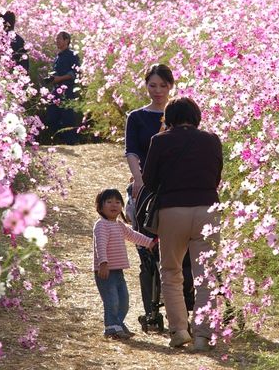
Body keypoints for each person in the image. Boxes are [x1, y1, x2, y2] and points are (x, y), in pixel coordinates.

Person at [142, 97, 223, 352]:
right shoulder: (212, 139)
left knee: (171, 271)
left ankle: (179, 330)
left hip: (173, 211)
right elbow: (217, 175)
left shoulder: (160, 141)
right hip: (207, 209)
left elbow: (149, 180)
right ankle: (203, 335)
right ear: (196, 116)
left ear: (169, 118)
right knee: (206, 274)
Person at [125, 64, 195, 327]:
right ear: (146, 85)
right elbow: (132, 151)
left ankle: (185, 302)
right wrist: (140, 181)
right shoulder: (137, 117)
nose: (157, 91)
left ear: (171, 87)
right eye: (152, 85)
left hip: (176, 187)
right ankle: (151, 308)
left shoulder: (180, 114)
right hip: (146, 186)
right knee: (148, 246)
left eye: (162, 86)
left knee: (183, 251)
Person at [93, 188, 156, 339]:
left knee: (123, 301)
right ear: (100, 207)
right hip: (105, 270)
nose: (114, 205)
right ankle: (111, 328)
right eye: (109, 202)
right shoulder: (101, 225)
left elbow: (133, 235)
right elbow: (100, 245)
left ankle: (118, 323)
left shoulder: (119, 225)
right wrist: (103, 263)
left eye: (117, 202)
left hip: (118, 270)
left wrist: (149, 242)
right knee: (112, 300)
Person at [44, 31, 80, 144]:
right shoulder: (58, 56)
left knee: (68, 118)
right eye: (56, 38)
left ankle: (70, 142)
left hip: (67, 91)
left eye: (59, 38)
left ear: (66, 41)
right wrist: (52, 77)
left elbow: (74, 73)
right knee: (51, 116)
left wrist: (59, 78)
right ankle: (59, 139)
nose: (57, 41)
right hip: (56, 90)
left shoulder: (72, 55)